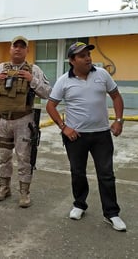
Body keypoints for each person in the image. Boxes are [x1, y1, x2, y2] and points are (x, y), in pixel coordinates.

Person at [45, 42, 126, 231]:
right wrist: (64, 127)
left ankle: (112, 213)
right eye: (82, 56)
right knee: (78, 172)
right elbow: (50, 105)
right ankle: (79, 204)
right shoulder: (64, 80)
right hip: (76, 137)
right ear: (72, 61)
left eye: (88, 54)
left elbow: (116, 96)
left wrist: (119, 120)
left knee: (106, 174)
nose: (88, 58)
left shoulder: (102, 75)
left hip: (101, 135)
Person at [0, 36, 51, 208]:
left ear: (27, 50)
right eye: (15, 46)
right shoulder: (0, 68)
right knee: (4, 156)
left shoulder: (34, 70)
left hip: (23, 121)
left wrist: (31, 80)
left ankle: (24, 193)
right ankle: (4, 188)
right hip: (3, 120)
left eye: (22, 47)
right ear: (10, 49)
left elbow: (48, 92)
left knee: (23, 157)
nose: (18, 49)